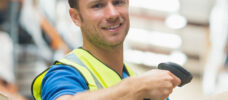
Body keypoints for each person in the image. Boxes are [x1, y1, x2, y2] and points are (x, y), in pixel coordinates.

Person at [31, 0, 181, 100]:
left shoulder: (142, 82)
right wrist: (136, 88)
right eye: (97, 5)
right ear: (76, 17)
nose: (113, 14)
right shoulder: (64, 74)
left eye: (118, 2)